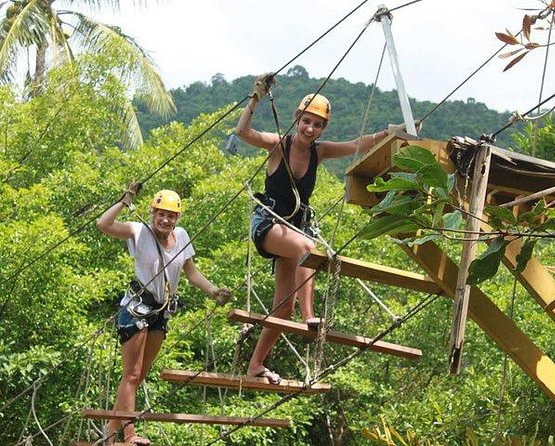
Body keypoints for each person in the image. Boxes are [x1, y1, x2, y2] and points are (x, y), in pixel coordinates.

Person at [236, 74, 392, 384]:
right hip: (268, 224)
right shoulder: (279, 145)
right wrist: (255, 97)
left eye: (317, 125)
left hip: (292, 229)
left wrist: (387, 134)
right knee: (308, 248)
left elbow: (356, 145)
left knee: (283, 307)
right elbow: (243, 132)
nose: (310, 129)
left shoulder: (320, 152)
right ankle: (310, 317)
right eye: (307, 122)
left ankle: (256, 364)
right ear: (297, 119)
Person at [96, 185, 231, 446]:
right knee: (131, 375)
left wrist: (214, 291)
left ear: (177, 218)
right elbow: (104, 224)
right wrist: (125, 201)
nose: (166, 220)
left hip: (161, 313)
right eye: (161, 214)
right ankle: (129, 435)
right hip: (137, 308)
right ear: (153, 213)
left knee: (138, 376)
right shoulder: (138, 231)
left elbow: (191, 273)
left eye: (171, 216)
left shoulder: (181, 236)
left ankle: (111, 427)